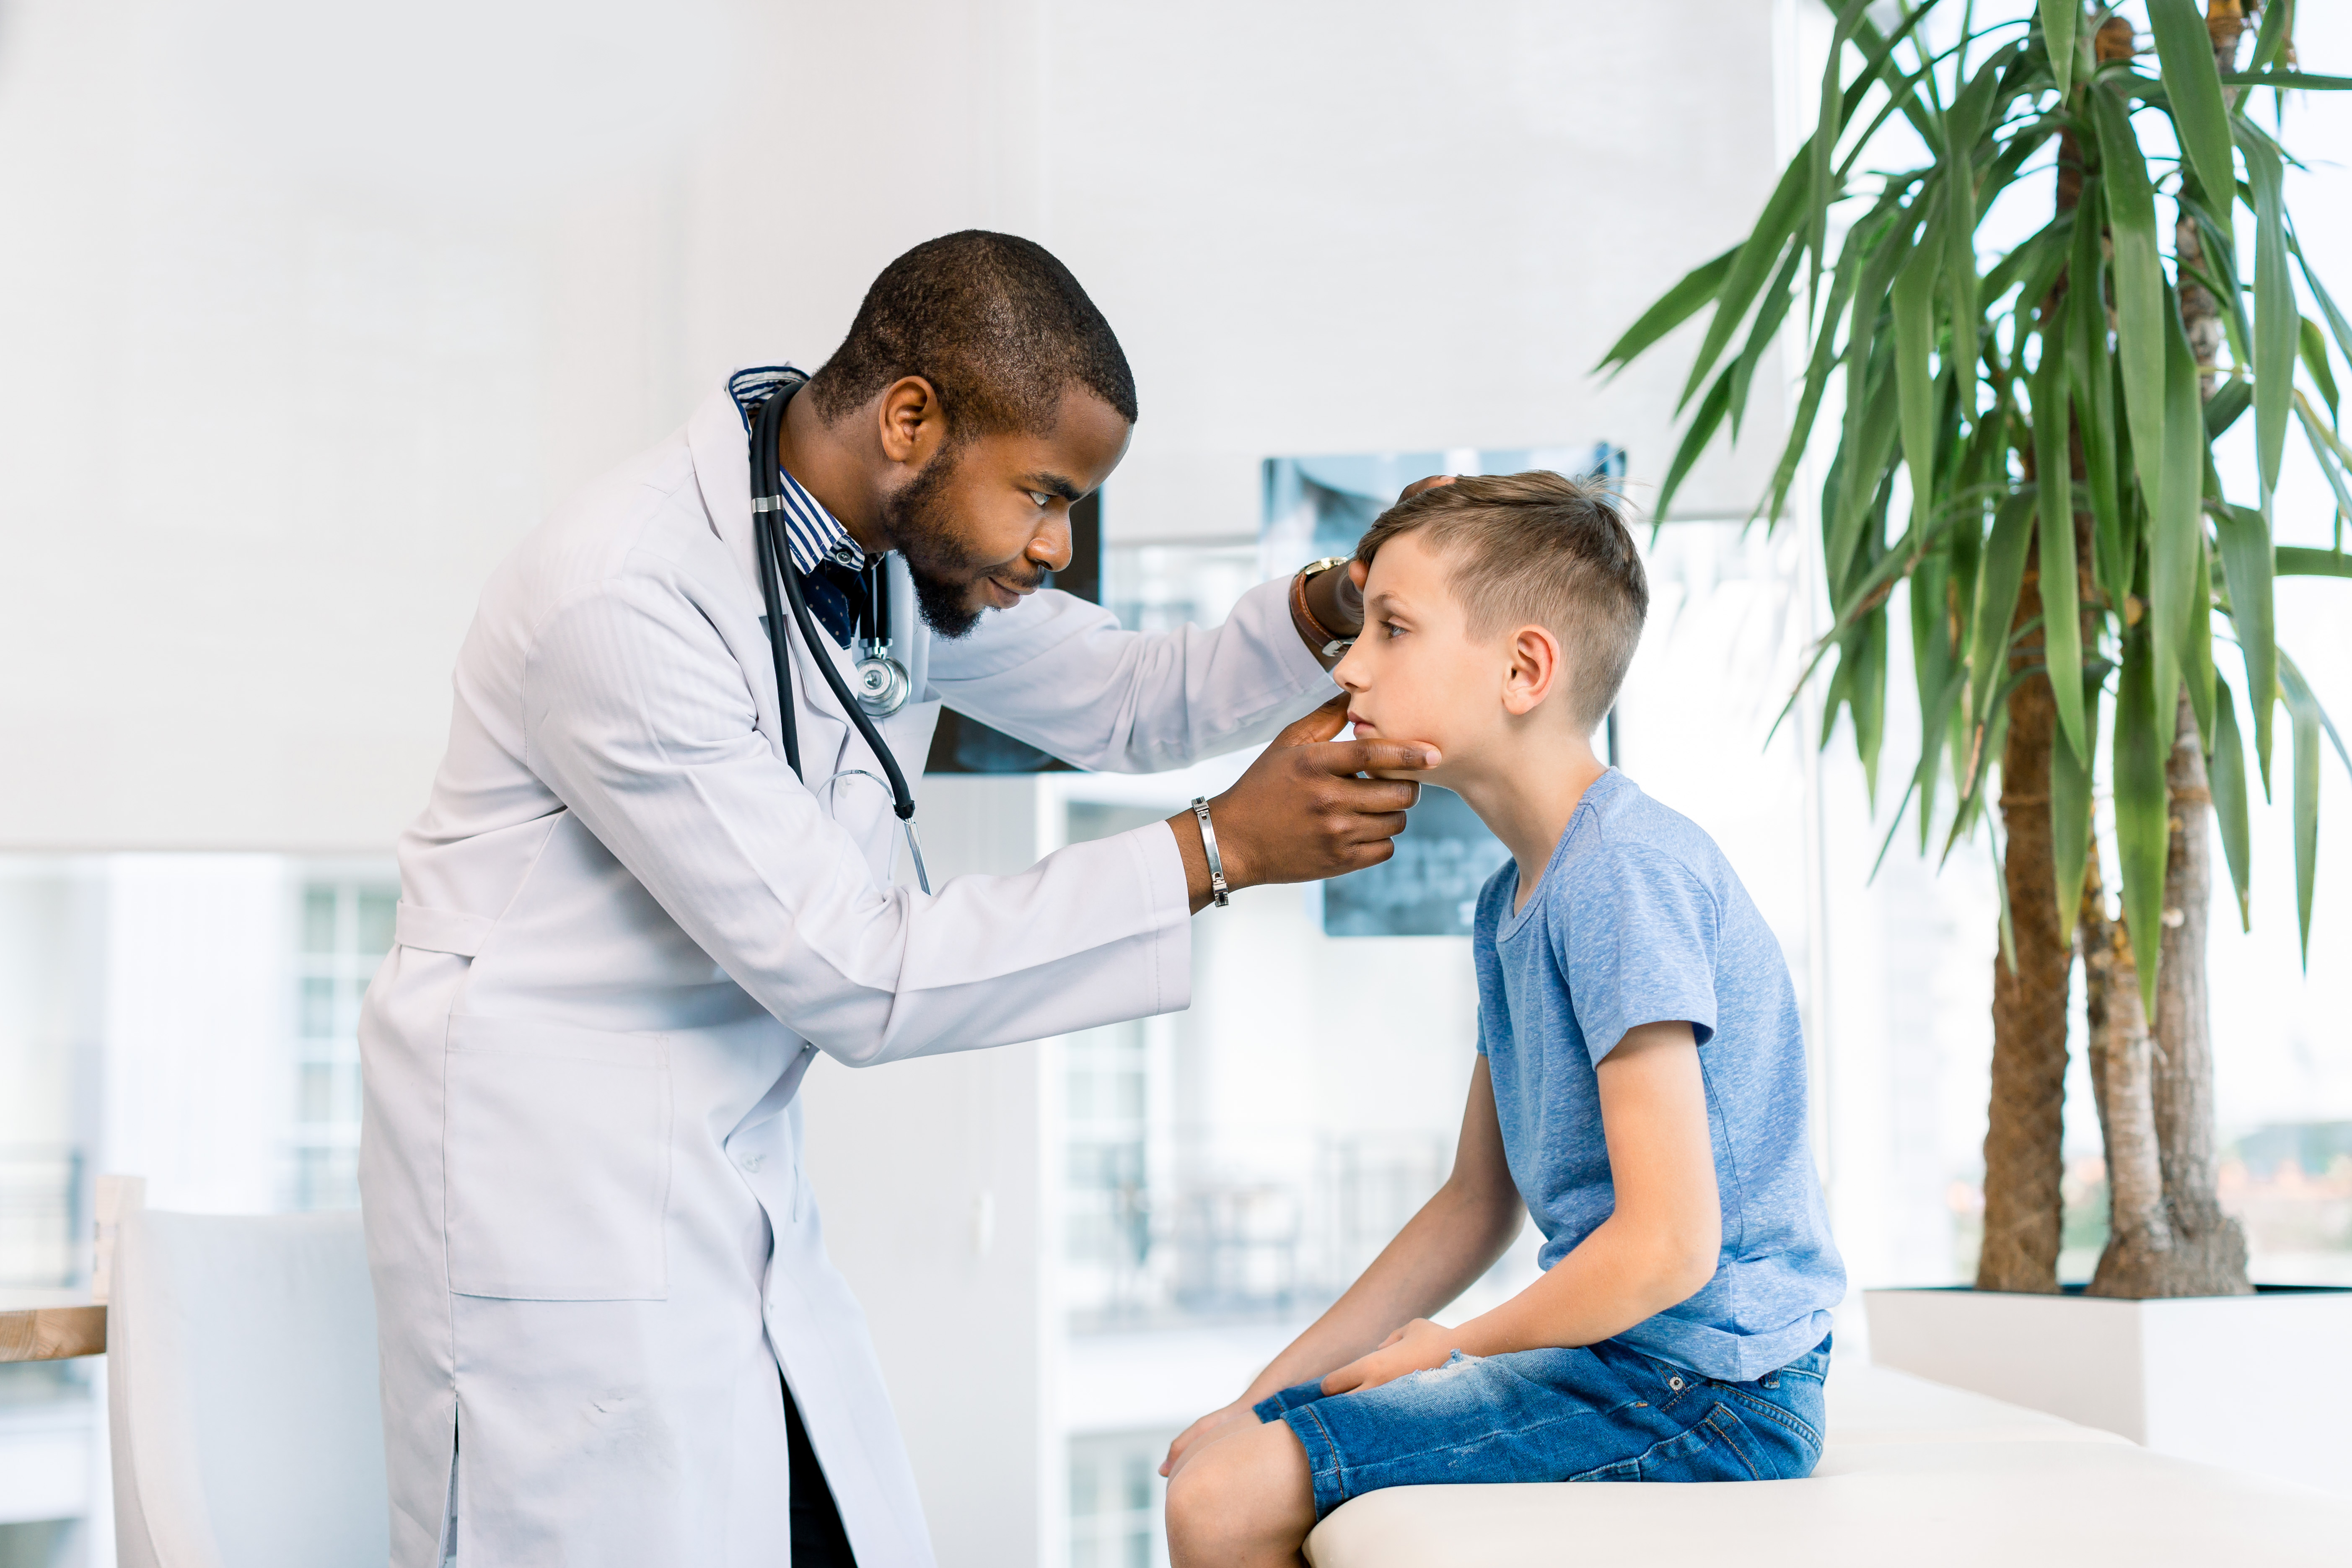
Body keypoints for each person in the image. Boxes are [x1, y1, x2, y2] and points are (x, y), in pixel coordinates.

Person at [357, 231, 1439, 1568]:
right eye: (1043, 495)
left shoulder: (874, 560)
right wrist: (1216, 850)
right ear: (910, 418)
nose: (1055, 546)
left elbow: (1124, 697)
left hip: (720, 1184)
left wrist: (1340, 602)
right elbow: (852, 972)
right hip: (559, 1207)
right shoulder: (621, 597)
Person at [1159, 472, 1846, 1565]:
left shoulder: (1623, 874)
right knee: (1223, 1463)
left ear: (1525, 669)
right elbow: (1474, 1204)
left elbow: (1670, 1246)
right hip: (1630, 1361)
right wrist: (1260, 1398)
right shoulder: (1513, 898)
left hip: (1712, 1389)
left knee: (1222, 1502)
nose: (1349, 667)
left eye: (1391, 629)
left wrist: (1448, 1347)